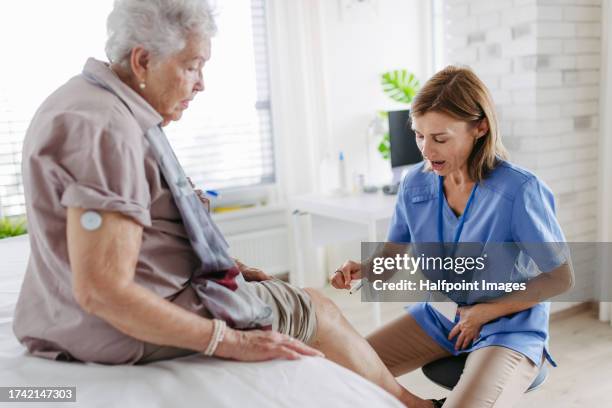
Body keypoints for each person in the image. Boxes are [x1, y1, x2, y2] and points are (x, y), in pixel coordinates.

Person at [11, 1, 439, 406]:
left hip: (69, 317)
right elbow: (103, 291)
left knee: (295, 296)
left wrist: (224, 266)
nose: (201, 83)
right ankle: (410, 404)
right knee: (318, 307)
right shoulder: (107, 130)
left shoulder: (89, 101)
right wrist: (229, 339)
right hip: (117, 330)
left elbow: (133, 239)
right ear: (142, 61)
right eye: (192, 66)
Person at [332, 66, 575, 408]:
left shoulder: (519, 191)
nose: (427, 151)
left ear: (480, 127)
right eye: (419, 135)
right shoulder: (415, 184)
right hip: (443, 316)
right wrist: (365, 269)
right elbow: (392, 253)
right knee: (339, 371)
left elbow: (560, 278)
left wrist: (485, 313)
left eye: (440, 138)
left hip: (509, 326)